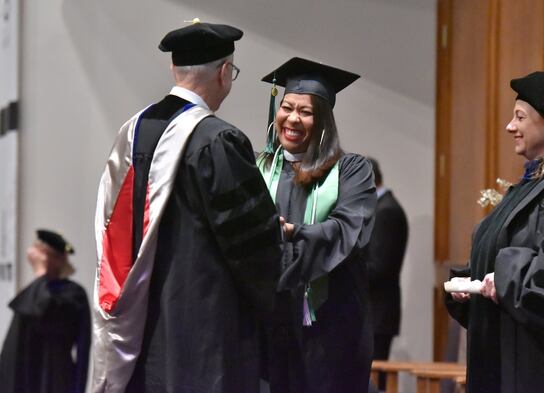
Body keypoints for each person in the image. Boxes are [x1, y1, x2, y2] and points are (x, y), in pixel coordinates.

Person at [92, 20, 282, 393]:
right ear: (225, 73)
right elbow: (253, 249)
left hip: (138, 323)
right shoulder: (217, 140)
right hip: (204, 328)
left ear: (173, 68)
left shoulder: (131, 133)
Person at [445, 71, 544, 393]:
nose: (509, 126)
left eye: (520, 117)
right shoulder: (532, 185)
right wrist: (473, 287)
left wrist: (503, 278)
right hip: (507, 357)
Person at [257, 57, 377, 393]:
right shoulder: (258, 168)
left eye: (305, 112)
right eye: (286, 107)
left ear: (323, 121)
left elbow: (348, 232)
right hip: (269, 326)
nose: (292, 118)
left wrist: (294, 233)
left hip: (330, 330)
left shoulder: (351, 171)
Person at [0, 229, 91, 393]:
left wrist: (41, 272)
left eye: (46, 254)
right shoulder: (33, 292)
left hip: (56, 380)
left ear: (58, 259)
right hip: (27, 379)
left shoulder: (73, 294)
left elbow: (47, 310)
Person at [366, 157, 408, 363]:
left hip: (377, 314)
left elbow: (379, 267)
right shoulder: (380, 207)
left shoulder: (387, 211)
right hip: (374, 313)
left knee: (373, 381)